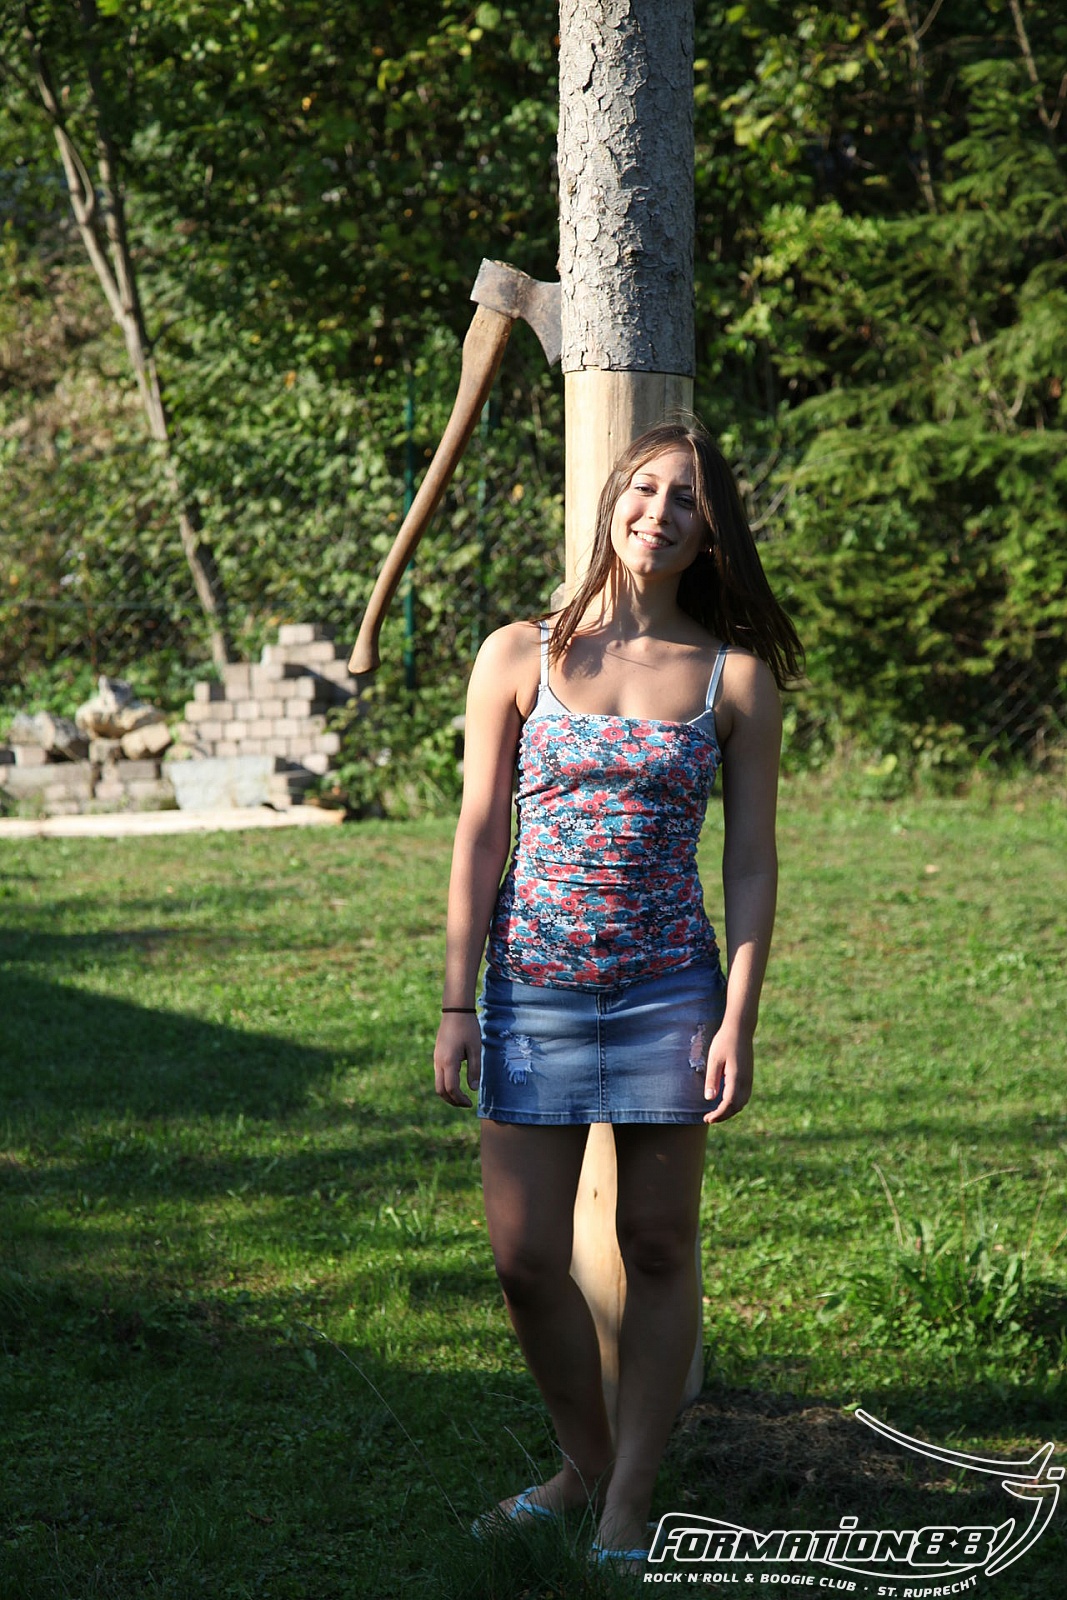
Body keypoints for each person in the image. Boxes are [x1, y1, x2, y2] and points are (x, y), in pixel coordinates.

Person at [433, 416, 802, 1566]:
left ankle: (628, 1502)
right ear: (611, 501)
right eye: (644, 487)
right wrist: (455, 1002)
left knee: (655, 1244)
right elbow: (479, 832)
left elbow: (750, 861)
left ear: (710, 533)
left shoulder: (735, 677)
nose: (659, 511)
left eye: (686, 499)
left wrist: (738, 1013)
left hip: (667, 996)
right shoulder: (519, 653)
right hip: (530, 991)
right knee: (524, 1257)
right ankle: (583, 1463)